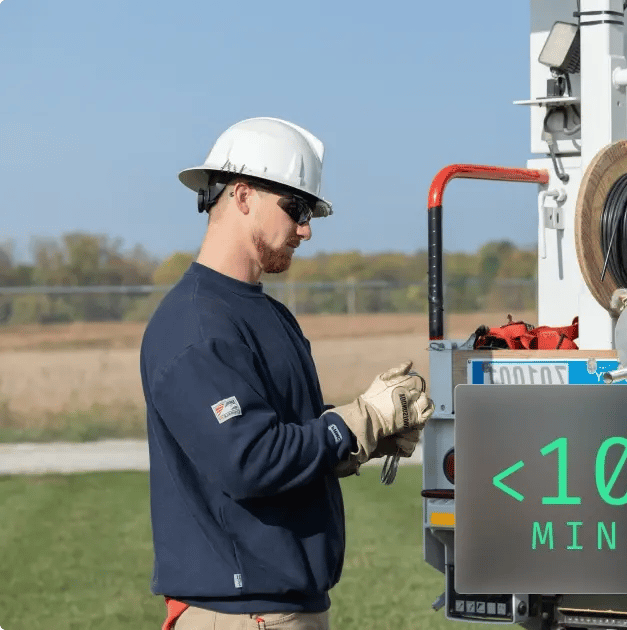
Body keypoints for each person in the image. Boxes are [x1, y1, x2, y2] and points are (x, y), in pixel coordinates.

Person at [140, 117, 433, 630]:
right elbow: (249, 459)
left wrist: (369, 434)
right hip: (241, 613)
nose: (306, 228)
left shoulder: (268, 315)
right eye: (295, 208)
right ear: (244, 195)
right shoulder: (194, 324)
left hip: (281, 606)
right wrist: (357, 422)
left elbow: (284, 436)